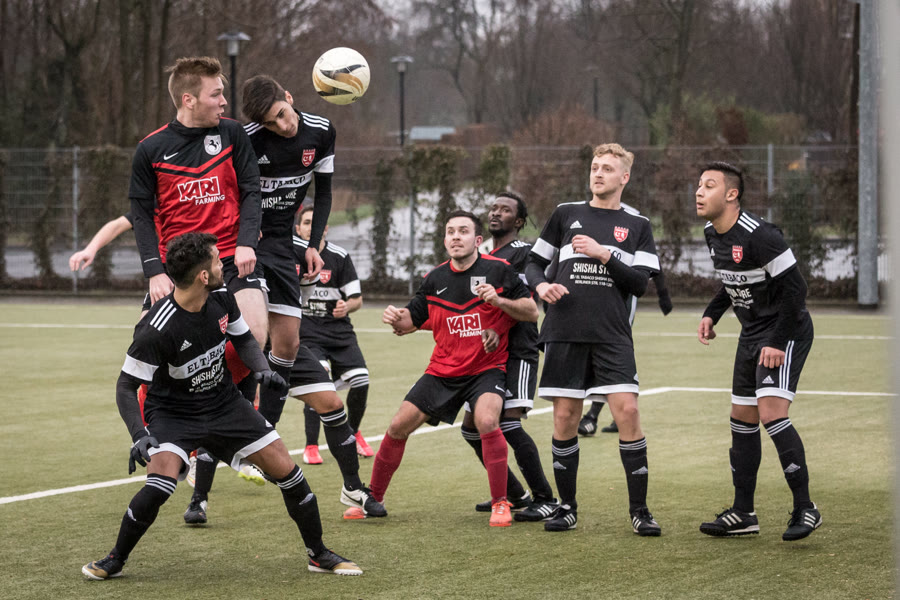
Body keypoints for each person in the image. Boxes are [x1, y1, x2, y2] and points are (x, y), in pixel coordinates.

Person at [81, 232, 362, 580]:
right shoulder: (156, 328)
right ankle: (115, 558)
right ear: (203, 275)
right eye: (217, 261)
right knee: (159, 487)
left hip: (225, 405)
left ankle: (318, 554)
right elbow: (126, 386)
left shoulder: (222, 297)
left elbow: (244, 339)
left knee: (290, 474)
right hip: (173, 414)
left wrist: (261, 370)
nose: (222, 266)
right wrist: (139, 435)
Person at [525, 143, 662, 535]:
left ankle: (640, 511)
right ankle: (567, 507)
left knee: (628, 412)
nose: (598, 173)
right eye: (595, 167)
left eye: (607, 168)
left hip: (611, 335)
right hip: (565, 331)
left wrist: (604, 255)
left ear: (625, 177)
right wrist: (541, 286)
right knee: (565, 417)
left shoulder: (638, 225)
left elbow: (639, 284)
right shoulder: (566, 213)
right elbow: (534, 263)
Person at [375, 210, 539, 527]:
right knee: (398, 425)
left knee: (486, 420)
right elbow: (410, 320)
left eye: (463, 231)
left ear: (477, 240)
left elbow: (531, 311)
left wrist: (499, 301)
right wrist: (395, 317)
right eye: (450, 231)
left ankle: (501, 503)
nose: (455, 237)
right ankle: (373, 499)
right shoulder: (434, 278)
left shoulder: (499, 270)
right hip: (442, 371)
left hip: (486, 370)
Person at [694, 161, 820, 541]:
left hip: (786, 329)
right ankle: (743, 513)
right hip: (751, 333)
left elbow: (797, 289)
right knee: (742, 418)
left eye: (709, 185)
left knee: (770, 413)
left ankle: (806, 508)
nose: (699, 192)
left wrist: (778, 342)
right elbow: (733, 281)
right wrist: (712, 313)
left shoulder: (760, 235)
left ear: (732, 194)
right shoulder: (712, 233)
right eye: (699, 185)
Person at [241, 74, 334, 431]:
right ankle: (228, 426)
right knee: (251, 336)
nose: (282, 126)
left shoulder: (321, 132)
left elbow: (323, 193)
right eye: (271, 123)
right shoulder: (247, 139)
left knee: (288, 343)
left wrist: (313, 245)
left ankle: (265, 430)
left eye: (281, 114)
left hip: (281, 242)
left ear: (290, 97)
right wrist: (244, 234)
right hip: (247, 242)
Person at [461, 192, 558, 522]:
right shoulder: (482, 254)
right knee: (472, 429)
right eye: (493, 208)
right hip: (485, 354)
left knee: (509, 423)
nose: (495, 213)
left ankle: (546, 498)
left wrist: (497, 326)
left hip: (518, 349)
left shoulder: (522, 254)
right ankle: (514, 494)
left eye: (505, 210)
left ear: (518, 221)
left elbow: (527, 305)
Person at [577, 202, 674, 437]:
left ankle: (592, 416)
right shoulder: (586, 215)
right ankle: (606, 413)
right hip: (591, 306)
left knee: (612, 356)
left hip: (620, 306)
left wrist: (663, 295)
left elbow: (652, 264)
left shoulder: (634, 219)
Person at [291, 205, 375, 465]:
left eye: (315, 222)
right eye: (306, 223)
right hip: (308, 335)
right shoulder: (290, 256)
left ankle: (354, 433)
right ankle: (311, 445)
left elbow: (357, 299)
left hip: (339, 334)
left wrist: (346, 306)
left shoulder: (339, 256)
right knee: (319, 379)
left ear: (325, 228)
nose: (310, 227)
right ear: (298, 229)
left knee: (361, 380)